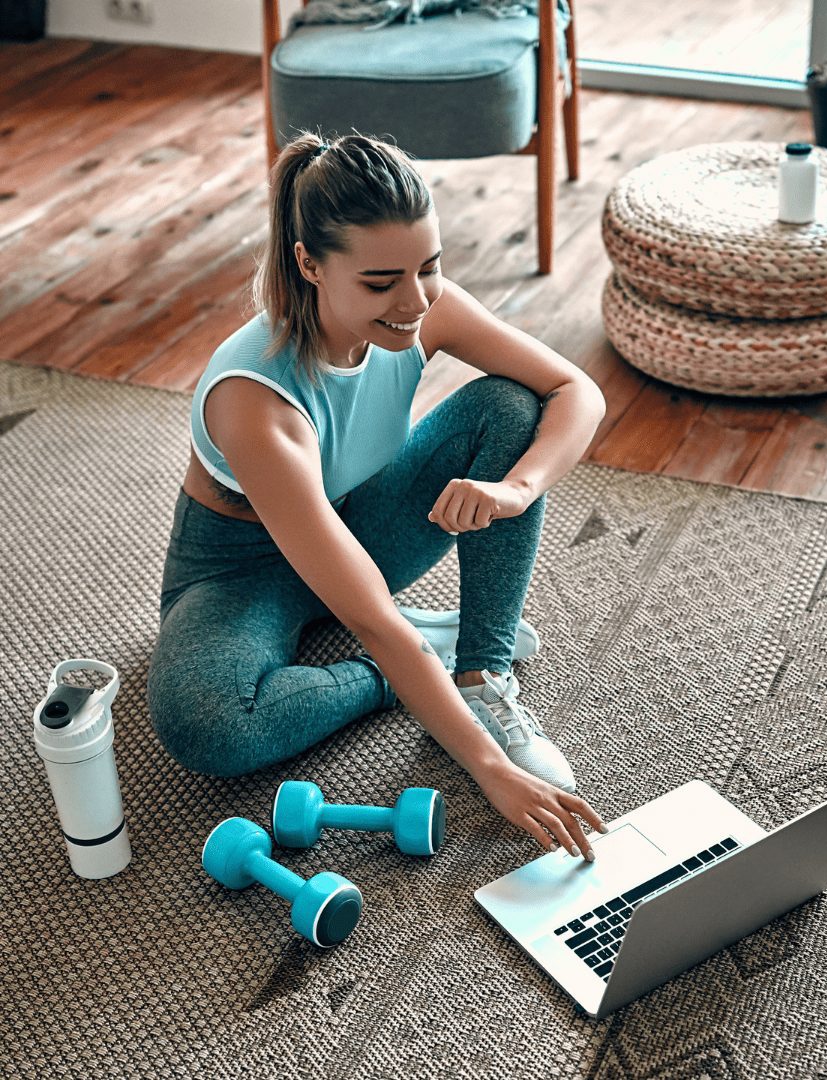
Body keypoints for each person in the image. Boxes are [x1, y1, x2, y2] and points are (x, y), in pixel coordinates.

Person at [147, 132, 609, 861]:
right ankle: (408, 669)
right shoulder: (254, 399)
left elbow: (573, 390)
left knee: (511, 409)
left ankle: (480, 669)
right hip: (237, 568)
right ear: (309, 263)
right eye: (381, 282)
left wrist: (517, 490)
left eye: (429, 268)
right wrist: (488, 772)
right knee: (209, 723)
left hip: (355, 520)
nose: (415, 300)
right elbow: (370, 615)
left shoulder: (424, 308)